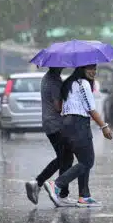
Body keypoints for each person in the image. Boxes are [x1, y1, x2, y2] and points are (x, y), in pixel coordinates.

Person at [44, 64, 113, 208]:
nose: (93, 72)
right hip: (78, 125)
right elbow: (90, 109)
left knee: (83, 161)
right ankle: (56, 184)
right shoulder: (83, 84)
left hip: (66, 125)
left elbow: (61, 107)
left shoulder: (69, 83)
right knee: (87, 161)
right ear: (81, 69)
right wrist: (104, 127)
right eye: (89, 69)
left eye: (95, 69)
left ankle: (84, 196)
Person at [25, 67, 76, 206]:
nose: (64, 66)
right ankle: (60, 193)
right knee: (66, 157)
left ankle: (39, 183)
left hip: (50, 123)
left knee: (64, 157)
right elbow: (58, 107)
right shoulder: (53, 81)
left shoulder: (49, 78)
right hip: (56, 124)